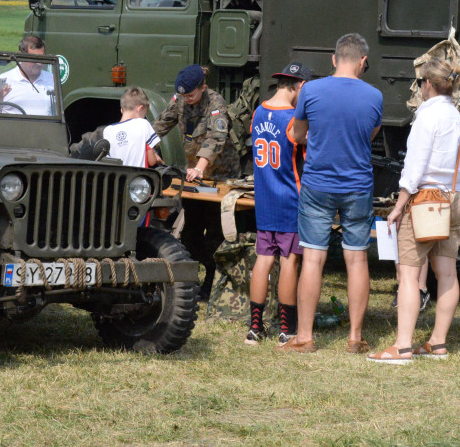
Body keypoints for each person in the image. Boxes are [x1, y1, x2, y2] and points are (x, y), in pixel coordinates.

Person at [279, 34, 383, 354]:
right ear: (363, 62)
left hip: (318, 186)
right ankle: (354, 337)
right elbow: (369, 135)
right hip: (358, 187)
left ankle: (305, 337)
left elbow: (296, 135)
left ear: (334, 58)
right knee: (356, 260)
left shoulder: (310, 89)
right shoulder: (375, 96)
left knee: (312, 259)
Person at [368, 57, 460, 364]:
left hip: (425, 201)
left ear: (427, 85)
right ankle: (437, 344)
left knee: (410, 276)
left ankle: (401, 347)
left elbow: (413, 170)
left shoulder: (427, 118)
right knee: (448, 274)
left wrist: (399, 206)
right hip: (453, 198)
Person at [152, 63, 239, 298]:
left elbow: (216, 138)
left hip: (219, 177)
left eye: (191, 94)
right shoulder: (180, 99)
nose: (187, 99)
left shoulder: (215, 102)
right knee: (189, 233)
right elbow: (161, 124)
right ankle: (191, 280)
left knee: (214, 234)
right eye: (183, 95)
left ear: (203, 87)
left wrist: (200, 167)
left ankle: (211, 283)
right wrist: (148, 146)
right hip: (195, 179)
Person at [246, 61, 313, 345]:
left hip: (264, 200)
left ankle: (254, 328)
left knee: (263, 260)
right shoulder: (292, 120)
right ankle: (287, 329)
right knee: (289, 261)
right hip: (289, 199)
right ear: (300, 86)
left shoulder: (258, 112)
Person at [0, 35, 55, 116]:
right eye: (34, 58)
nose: (39, 63)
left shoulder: (53, 79)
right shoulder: (0, 80)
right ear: (21, 56)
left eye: (42, 57)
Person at [103, 86, 161, 168]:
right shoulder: (143, 124)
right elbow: (151, 161)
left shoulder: (107, 131)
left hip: (118, 179)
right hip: (139, 178)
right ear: (140, 108)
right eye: (144, 113)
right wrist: (156, 157)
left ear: (121, 110)